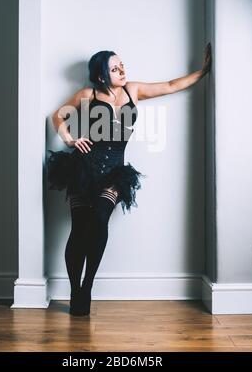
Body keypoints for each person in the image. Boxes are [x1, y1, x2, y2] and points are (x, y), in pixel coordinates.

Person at [46, 45, 212, 316]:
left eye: (122, 65)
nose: (122, 70)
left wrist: (203, 72)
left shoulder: (132, 90)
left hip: (114, 171)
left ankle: (87, 285)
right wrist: (69, 138)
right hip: (82, 168)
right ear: (101, 75)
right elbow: (57, 116)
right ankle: (76, 289)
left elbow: (170, 85)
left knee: (99, 218)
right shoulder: (87, 94)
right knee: (79, 229)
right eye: (115, 68)